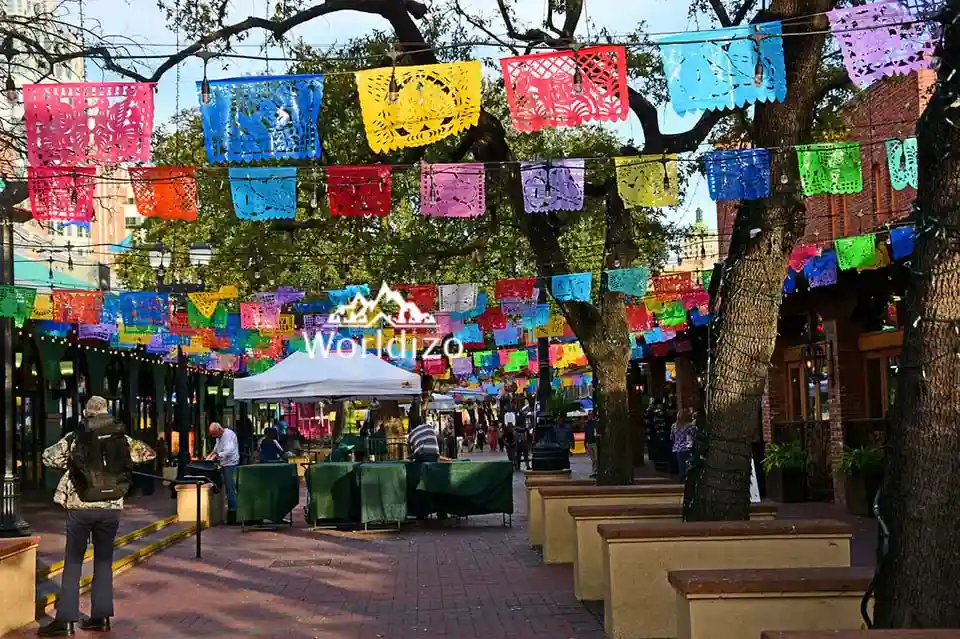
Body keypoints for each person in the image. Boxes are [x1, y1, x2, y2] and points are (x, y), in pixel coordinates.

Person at [38, 396, 156, 636]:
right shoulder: (120, 437)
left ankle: (66, 620)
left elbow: (48, 458)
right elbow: (148, 454)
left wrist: (75, 464)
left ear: (86, 414)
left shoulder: (75, 437)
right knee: (103, 562)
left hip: (80, 506)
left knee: (73, 562)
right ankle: (101, 617)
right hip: (111, 507)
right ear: (106, 412)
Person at [205, 422, 239, 518]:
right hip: (224, 464)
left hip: (230, 464)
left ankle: (233, 511)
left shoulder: (228, 435)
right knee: (226, 487)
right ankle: (230, 509)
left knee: (230, 488)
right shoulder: (219, 437)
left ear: (219, 430)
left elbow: (229, 450)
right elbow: (216, 448)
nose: (213, 436)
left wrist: (217, 455)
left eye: (214, 434)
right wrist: (211, 454)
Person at [671, 407, 696, 480]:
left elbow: (672, 437)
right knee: (690, 464)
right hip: (688, 448)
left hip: (678, 449)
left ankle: (682, 479)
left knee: (681, 465)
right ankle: (689, 479)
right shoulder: (690, 426)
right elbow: (692, 436)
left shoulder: (674, 426)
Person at [584, 414, 598, 478]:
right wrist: (585, 443)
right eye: (589, 416)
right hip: (589, 443)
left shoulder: (595, 423)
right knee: (593, 459)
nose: (590, 417)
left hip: (594, 442)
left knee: (596, 458)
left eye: (590, 416)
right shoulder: (586, 425)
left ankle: (596, 471)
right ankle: (594, 471)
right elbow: (586, 435)